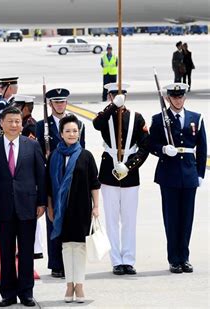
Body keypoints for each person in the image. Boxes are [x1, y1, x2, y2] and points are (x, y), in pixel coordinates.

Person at [0, 106, 46, 307]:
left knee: (27, 252)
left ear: (22, 124)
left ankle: (26, 292)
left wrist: (41, 202)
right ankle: (8, 293)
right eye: (9, 121)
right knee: (6, 252)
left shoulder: (32, 145)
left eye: (17, 121)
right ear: (1, 123)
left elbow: (41, 176)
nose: (14, 125)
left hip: (28, 206)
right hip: (3, 208)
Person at [149, 83, 206, 274]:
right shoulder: (159, 119)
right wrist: (163, 149)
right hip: (169, 174)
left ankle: (185, 257)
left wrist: (200, 174)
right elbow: (151, 144)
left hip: (189, 174)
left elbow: (202, 148)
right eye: (174, 97)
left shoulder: (196, 118)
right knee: (172, 218)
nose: (178, 100)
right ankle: (174, 259)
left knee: (186, 218)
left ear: (185, 98)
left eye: (181, 97)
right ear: (168, 99)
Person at [92, 83, 150, 275]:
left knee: (129, 219)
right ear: (109, 96)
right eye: (115, 96)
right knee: (111, 219)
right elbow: (96, 124)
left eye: (122, 95)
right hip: (109, 172)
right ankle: (116, 260)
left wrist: (129, 165)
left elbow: (144, 147)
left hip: (130, 173)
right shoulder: (105, 116)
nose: (119, 98)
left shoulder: (136, 117)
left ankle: (129, 259)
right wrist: (112, 107)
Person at [47, 114, 100, 303]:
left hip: (81, 209)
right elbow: (48, 187)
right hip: (62, 211)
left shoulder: (86, 156)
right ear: (61, 134)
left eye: (75, 131)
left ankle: (80, 285)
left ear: (79, 134)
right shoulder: (54, 156)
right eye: (67, 131)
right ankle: (69, 284)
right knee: (66, 247)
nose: (71, 134)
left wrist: (96, 207)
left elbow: (95, 183)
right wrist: (50, 208)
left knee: (79, 248)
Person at [35, 88, 85, 279]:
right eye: (56, 102)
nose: (59, 105)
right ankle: (56, 263)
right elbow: (38, 151)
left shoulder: (77, 125)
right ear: (50, 104)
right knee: (53, 217)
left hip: (71, 174)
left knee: (71, 219)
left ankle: (70, 263)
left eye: (62, 102)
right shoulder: (42, 126)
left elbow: (82, 150)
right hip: (51, 174)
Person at [13, 94, 44, 260]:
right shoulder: (23, 123)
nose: (16, 109)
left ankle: (36, 248)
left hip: (28, 172)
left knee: (32, 214)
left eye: (19, 106)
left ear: (26, 108)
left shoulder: (30, 125)